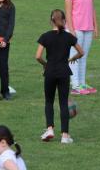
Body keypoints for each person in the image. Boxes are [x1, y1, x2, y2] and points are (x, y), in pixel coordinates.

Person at [36, 9, 84, 144]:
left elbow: (38, 56)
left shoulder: (45, 36)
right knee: (63, 103)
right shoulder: (69, 37)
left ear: (51, 21)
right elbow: (81, 52)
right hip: (64, 72)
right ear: (64, 21)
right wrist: (73, 58)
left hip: (50, 72)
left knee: (49, 101)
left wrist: (46, 65)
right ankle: (65, 135)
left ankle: (50, 129)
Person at [65, 0, 98, 95]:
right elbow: (68, 13)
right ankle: (75, 85)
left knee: (83, 56)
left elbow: (92, 9)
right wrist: (71, 30)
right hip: (76, 29)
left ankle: (82, 83)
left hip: (88, 27)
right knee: (75, 57)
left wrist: (96, 26)